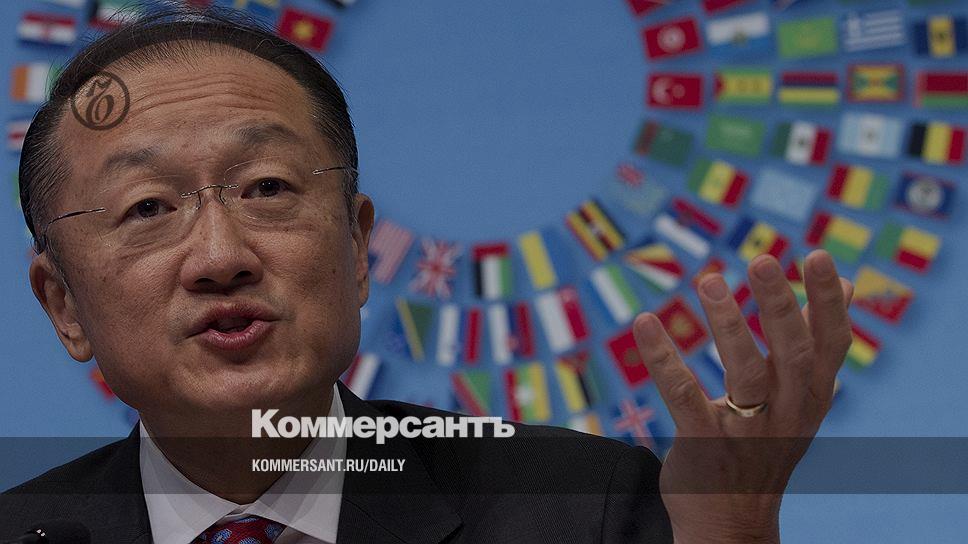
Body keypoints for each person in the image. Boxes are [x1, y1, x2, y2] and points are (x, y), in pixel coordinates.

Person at [0, 6, 854, 544]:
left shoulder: (579, 508)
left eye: (267, 188)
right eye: (148, 207)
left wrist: (733, 533)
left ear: (357, 245)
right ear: (63, 304)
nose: (221, 256)